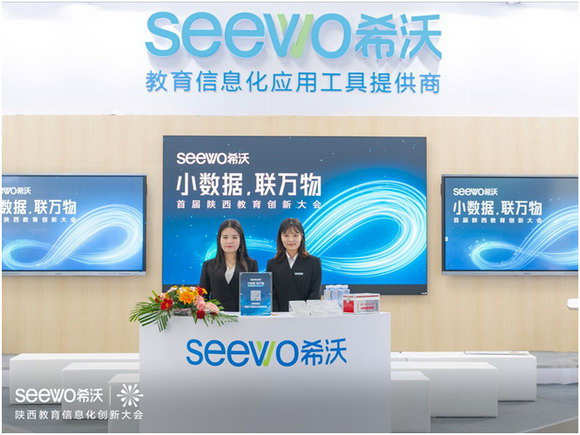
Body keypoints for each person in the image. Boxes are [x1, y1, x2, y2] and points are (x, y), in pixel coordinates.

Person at [199, 219, 258, 311]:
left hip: (243, 316)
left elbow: (255, 294)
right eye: (225, 237)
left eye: (234, 237)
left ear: (241, 240)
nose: (229, 241)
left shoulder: (251, 264)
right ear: (219, 239)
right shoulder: (208, 265)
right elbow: (202, 296)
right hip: (217, 316)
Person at [266, 218, 322, 311]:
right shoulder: (272, 264)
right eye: (286, 235)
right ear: (280, 237)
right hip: (280, 316)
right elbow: (271, 294)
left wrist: (305, 313)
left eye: (295, 235)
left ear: (301, 237)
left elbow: (315, 293)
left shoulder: (314, 262)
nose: (291, 240)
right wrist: (278, 314)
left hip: (306, 315)